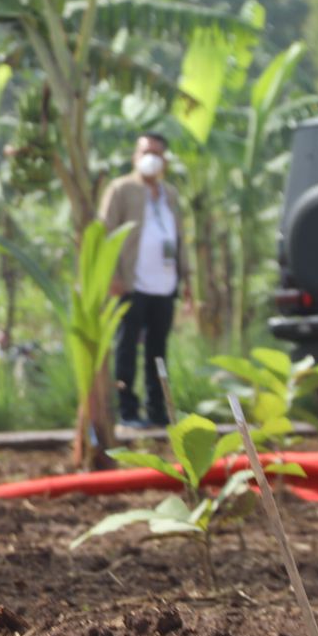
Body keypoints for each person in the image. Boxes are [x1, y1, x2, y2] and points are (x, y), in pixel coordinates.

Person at [100, 132, 190, 428]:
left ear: (165, 160)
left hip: (165, 285)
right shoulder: (121, 189)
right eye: (145, 152)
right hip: (131, 284)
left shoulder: (170, 194)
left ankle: (158, 409)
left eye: (157, 153)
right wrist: (112, 276)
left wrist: (187, 278)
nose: (151, 158)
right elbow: (104, 232)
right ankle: (127, 410)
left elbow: (179, 237)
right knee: (126, 346)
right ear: (135, 157)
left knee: (158, 349)